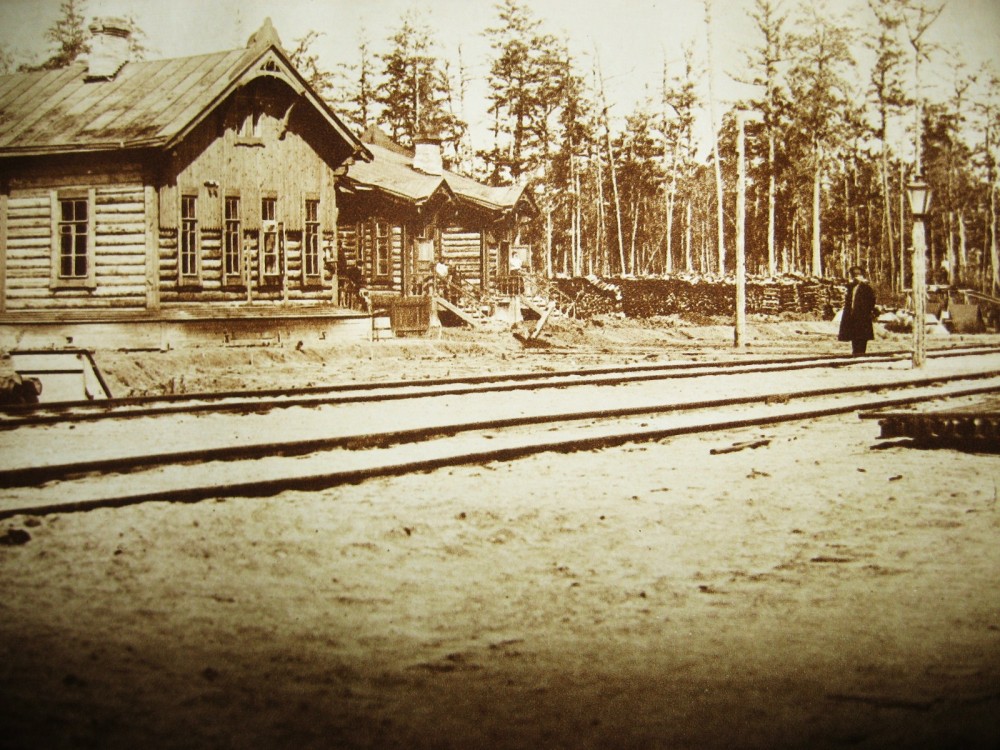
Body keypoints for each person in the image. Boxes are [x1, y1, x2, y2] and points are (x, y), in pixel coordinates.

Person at [838, 266, 876, 356]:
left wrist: (867, 312)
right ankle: (855, 352)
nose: (856, 277)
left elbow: (872, 301)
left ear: (862, 275)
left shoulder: (866, 288)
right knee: (854, 335)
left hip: (862, 316)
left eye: (858, 275)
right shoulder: (851, 288)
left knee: (862, 335)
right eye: (854, 275)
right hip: (852, 315)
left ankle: (861, 352)